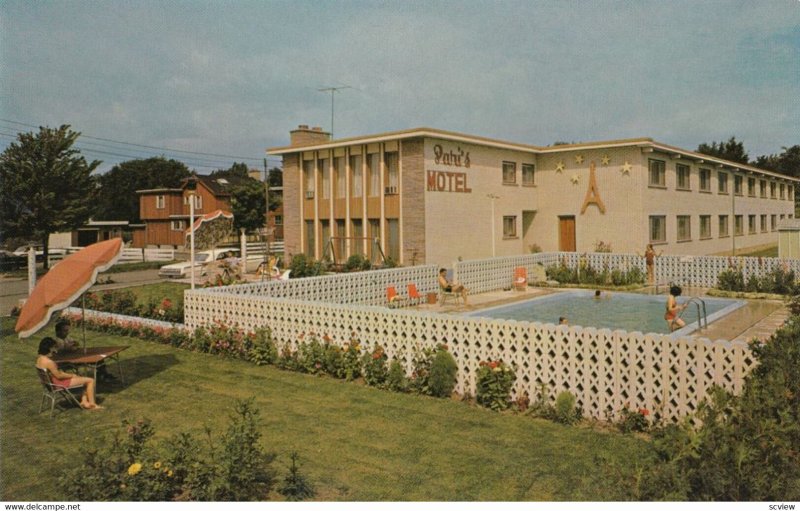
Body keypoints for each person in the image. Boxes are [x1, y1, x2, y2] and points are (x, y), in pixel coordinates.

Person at [36, 337, 102, 410]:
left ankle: (84, 402)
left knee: (82, 379)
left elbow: (57, 373)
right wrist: (72, 375)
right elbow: (59, 376)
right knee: (90, 380)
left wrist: (69, 375)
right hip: (58, 384)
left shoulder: (39, 359)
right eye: (54, 347)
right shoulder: (49, 362)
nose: (55, 350)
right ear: (50, 348)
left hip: (49, 384)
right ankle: (93, 405)